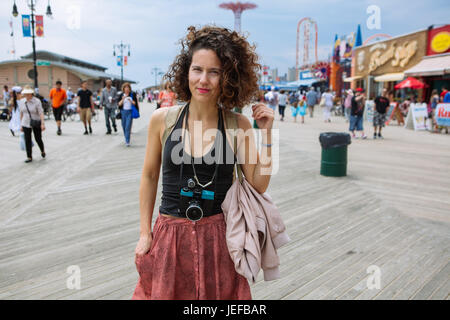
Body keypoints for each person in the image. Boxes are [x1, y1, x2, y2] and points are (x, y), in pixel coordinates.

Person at [132, 25, 274, 300]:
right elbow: (149, 176)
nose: (203, 80)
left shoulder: (237, 124)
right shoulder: (163, 119)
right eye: (197, 69)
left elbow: (259, 184)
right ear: (186, 71)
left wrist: (266, 135)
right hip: (170, 234)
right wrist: (144, 233)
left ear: (228, 77)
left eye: (214, 72)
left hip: (218, 238)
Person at [19, 86, 46, 163]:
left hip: (36, 121)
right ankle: (29, 156)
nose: (27, 95)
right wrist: (21, 124)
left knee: (38, 138)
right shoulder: (22, 101)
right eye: (25, 94)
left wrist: (42, 123)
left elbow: (41, 112)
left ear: (32, 94)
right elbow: (21, 113)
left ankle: (42, 150)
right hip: (25, 122)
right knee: (27, 139)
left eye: (28, 94)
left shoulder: (37, 101)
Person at [118, 82, 139, 146]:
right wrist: (123, 99)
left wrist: (130, 100)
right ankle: (126, 137)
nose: (127, 89)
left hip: (130, 112)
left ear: (129, 89)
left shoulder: (132, 94)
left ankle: (127, 141)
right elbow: (119, 104)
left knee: (128, 127)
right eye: (125, 88)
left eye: (128, 88)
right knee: (123, 126)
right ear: (123, 89)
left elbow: (135, 103)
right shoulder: (121, 95)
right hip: (123, 112)